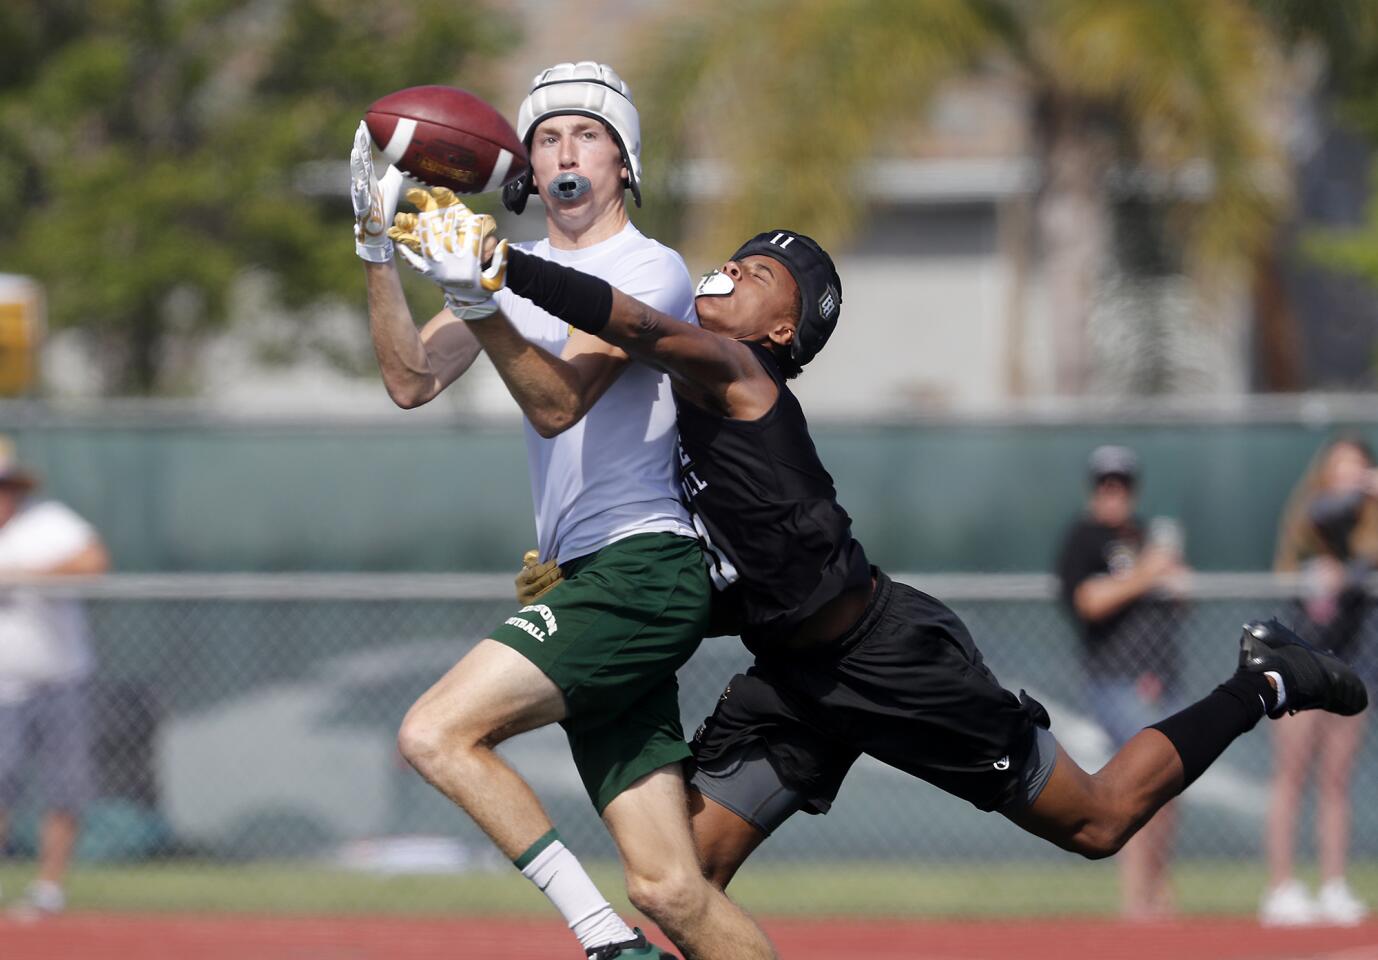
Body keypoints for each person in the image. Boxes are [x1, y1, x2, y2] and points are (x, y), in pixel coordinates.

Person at [393, 210, 1369, 896]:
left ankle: (1261, 680)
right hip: (791, 678)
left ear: (782, 330)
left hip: (888, 661)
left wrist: (500, 268)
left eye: (760, 274)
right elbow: (732, 570)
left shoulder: (734, 370)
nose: (728, 271)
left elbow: (631, 321)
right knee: (679, 881)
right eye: (731, 256)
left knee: (1099, 820)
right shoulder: (682, 406)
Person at [351, 61, 775, 960]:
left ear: (625, 164)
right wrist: (377, 249)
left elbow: (558, 400)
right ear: (526, 172)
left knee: (434, 732)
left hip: (643, 568)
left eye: (587, 134)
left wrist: (478, 297)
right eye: (546, 138)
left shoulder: (647, 267)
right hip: (594, 576)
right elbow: (409, 381)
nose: (565, 152)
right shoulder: (519, 266)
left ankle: (601, 944)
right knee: (671, 888)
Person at [1055, 446, 1190, 920]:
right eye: (1105, 485)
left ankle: (1158, 890)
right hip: (1115, 679)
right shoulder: (1084, 537)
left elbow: (1179, 599)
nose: (1114, 494)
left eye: (1122, 485)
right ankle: (1136, 902)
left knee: (1169, 784)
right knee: (1138, 783)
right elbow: (1089, 600)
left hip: (1160, 679)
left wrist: (1172, 578)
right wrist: (1147, 575)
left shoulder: (1145, 534)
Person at [1261, 436, 1376, 926]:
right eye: (1342, 467)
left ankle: (1333, 884)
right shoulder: (1313, 512)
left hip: (1352, 661)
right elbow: (1324, 515)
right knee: (1291, 773)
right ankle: (1280, 886)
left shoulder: (1370, 520)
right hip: (1298, 659)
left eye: (1359, 466)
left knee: (1336, 779)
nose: (1351, 475)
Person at [0, 438, 110, 918]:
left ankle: (49, 888)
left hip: (59, 679)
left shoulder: (48, 523)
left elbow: (92, 562)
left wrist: (23, 574)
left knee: (65, 786)